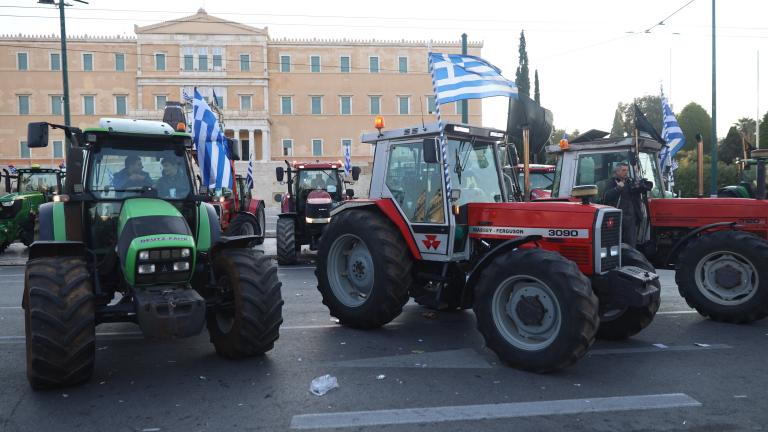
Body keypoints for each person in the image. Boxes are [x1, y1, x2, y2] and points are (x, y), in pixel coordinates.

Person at [602, 162, 643, 247]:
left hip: (630, 218)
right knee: (616, 243)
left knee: (631, 243)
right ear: (617, 171)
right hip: (617, 217)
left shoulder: (630, 182)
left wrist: (641, 186)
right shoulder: (612, 182)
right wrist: (618, 188)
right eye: (623, 170)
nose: (626, 172)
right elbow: (606, 197)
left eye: (627, 170)